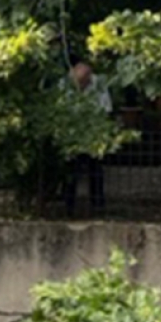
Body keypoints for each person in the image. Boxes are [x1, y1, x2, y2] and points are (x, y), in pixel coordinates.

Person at [63, 61, 112, 217]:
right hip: (71, 135)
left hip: (93, 134)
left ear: (89, 79)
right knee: (70, 171)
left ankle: (98, 205)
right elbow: (61, 109)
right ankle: (68, 206)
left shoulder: (99, 85)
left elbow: (106, 109)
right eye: (78, 83)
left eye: (83, 83)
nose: (81, 87)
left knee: (96, 170)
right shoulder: (64, 84)